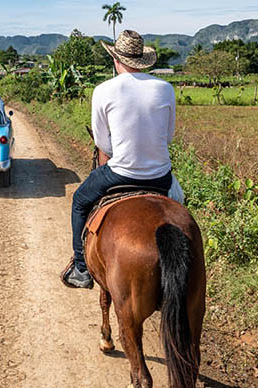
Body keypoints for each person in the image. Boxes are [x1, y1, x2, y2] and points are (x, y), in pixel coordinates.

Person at [61, 30, 176, 289]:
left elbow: (102, 143)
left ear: (116, 59)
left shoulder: (103, 90)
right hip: (161, 176)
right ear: (142, 60)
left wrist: (122, 150)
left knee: (79, 201)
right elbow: (168, 138)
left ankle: (81, 269)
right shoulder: (165, 88)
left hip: (120, 173)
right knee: (181, 206)